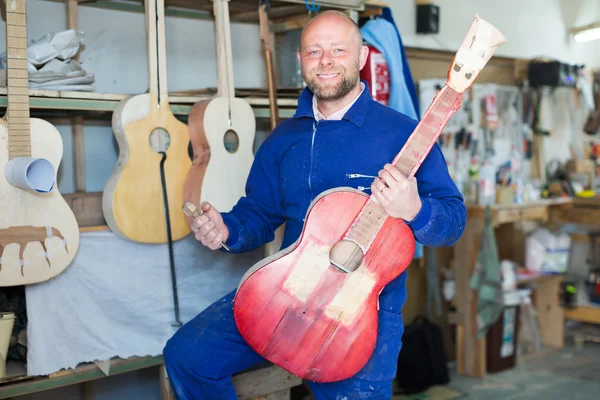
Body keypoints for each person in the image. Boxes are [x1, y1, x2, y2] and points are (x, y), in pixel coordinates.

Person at [163, 10, 466, 400]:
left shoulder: (404, 135)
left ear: (360, 59)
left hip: (360, 314)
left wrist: (415, 210)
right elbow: (259, 213)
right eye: (314, 51)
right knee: (188, 356)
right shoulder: (283, 139)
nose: (325, 61)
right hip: (283, 292)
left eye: (339, 50)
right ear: (300, 62)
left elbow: (454, 220)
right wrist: (227, 229)